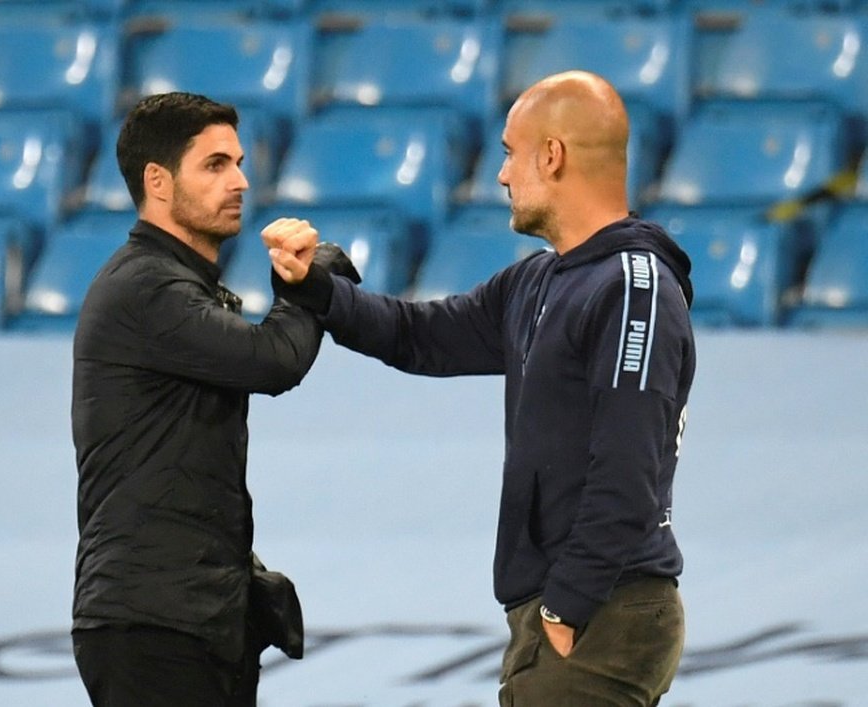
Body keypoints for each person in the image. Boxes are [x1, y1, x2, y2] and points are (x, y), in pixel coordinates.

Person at [266, 71, 696, 706]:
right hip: (565, 607)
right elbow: (421, 334)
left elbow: (629, 467)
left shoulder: (633, 286)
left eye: (510, 152)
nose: (500, 175)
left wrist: (567, 606)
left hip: (605, 606)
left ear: (552, 156)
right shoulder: (538, 282)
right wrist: (317, 289)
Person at [70, 92, 356, 706]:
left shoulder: (175, 286)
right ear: (158, 181)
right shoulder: (146, 287)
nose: (241, 181)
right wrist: (308, 281)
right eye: (215, 165)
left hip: (195, 620)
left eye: (239, 162)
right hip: (153, 627)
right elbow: (273, 360)